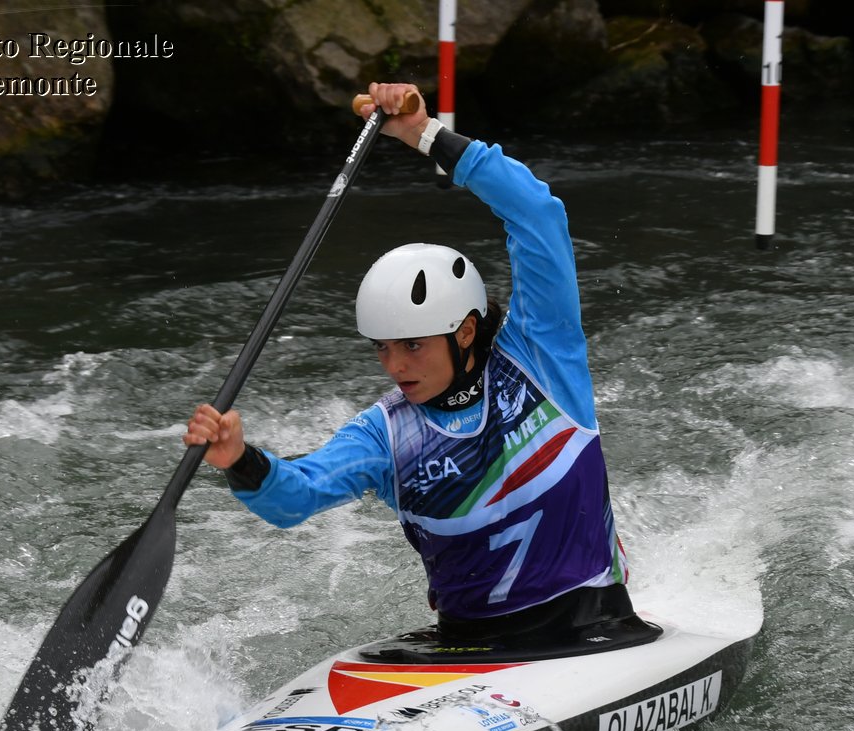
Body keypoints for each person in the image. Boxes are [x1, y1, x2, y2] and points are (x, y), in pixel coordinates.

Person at [184, 81, 641, 647]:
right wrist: (240, 460)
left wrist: (422, 134)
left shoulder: (542, 358)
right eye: (381, 347)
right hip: (465, 649)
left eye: (412, 345)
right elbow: (296, 495)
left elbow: (537, 215)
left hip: (595, 633)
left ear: (466, 331)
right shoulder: (386, 434)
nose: (393, 365)